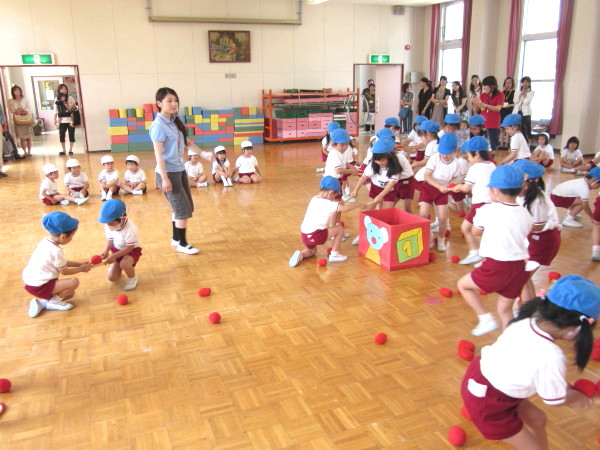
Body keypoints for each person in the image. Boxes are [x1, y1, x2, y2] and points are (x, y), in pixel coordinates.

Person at [461, 274, 599, 449]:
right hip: (489, 401)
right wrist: (576, 398)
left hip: (484, 377)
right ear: (577, 329)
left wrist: (567, 388)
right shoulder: (552, 356)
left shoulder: (527, 320)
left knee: (538, 419)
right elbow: (554, 400)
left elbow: (531, 363)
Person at [457, 165, 533, 335]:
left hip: (497, 266)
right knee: (505, 311)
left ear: (495, 190)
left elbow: (475, 232)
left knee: (463, 285)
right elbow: (525, 231)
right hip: (519, 268)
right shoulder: (525, 213)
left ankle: (485, 319)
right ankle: (506, 345)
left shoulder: (487, 210)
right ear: (521, 189)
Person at [149, 87, 199, 255]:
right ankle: (182, 244)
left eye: (175, 100)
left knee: (184, 207)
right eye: (169, 100)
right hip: (168, 173)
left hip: (179, 169)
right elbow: (159, 156)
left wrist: (205, 154)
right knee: (182, 209)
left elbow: (186, 142)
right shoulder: (158, 126)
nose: (173, 104)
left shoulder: (173, 122)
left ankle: (176, 239)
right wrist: (164, 179)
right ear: (159, 103)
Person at [22, 211, 92, 317]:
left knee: (70, 293)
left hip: (32, 283)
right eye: (71, 236)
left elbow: (60, 263)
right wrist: (81, 269)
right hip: (40, 286)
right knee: (74, 282)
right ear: (63, 237)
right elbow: (65, 271)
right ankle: (53, 303)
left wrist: (79, 264)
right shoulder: (56, 251)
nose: (72, 238)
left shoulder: (45, 241)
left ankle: (43, 304)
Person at [289, 176, 365, 267]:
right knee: (339, 229)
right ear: (331, 193)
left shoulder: (314, 199)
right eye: (334, 196)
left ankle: (301, 255)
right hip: (315, 235)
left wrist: (338, 204)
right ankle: (335, 254)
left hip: (305, 235)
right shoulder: (327, 203)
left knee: (312, 251)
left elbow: (334, 206)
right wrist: (359, 205)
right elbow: (345, 209)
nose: (334, 198)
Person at [513, 160, 561, 303]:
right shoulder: (524, 196)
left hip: (544, 241)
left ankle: (528, 308)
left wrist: (516, 226)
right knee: (523, 277)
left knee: (522, 277)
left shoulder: (538, 201)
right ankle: (527, 305)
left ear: (526, 184)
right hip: (533, 238)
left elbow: (537, 227)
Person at [450, 136, 495, 265]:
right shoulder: (492, 165)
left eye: (469, 155)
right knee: (480, 231)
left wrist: (457, 187)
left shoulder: (475, 168)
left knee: (467, 228)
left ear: (477, 154)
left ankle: (483, 255)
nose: (468, 158)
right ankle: (478, 253)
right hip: (491, 204)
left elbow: (466, 188)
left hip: (480, 205)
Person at [420, 133, 461, 252]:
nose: (445, 155)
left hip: (443, 192)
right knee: (423, 214)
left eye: (448, 153)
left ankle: (441, 239)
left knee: (443, 218)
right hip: (429, 188)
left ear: (455, 151)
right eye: (442, 152)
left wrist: (450, 186)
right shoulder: (435, 158)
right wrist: (439, 186)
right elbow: (427, 176)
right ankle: (429, 237)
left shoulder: (456, 164)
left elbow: (455, 179)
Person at [98, 199, 142, 291]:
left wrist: (114, 256)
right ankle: (117, 266)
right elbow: (110, 239)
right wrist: (106, 251)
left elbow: (130, 248)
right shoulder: (108, 225)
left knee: (124, 264)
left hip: (132, 250)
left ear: (123, 218)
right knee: (112, 278)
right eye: (107, 223)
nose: (109, 225)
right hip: (117, 249)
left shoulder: (131, 228)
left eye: (112, 223)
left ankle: (132, 279)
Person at [351, 138, 401, 210]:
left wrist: (380, 195)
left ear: (389, 156)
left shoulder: (395, 167)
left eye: (382, 160)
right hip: (375, 188)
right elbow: (364, 177)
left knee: (387, 211)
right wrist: (356, 190)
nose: (379, 163)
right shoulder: (373, 164)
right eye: (377, 160)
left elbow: (391, 184)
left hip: (389, 190)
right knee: (369, 209)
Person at [473, 76, 504, 151]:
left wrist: (486, 105)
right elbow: (478, 109)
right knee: (481, 145)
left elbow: (498, 108)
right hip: (482, 123)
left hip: (494, 124)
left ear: (492, 86)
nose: (484, 88)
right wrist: (476, 104)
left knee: (493, 146)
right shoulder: (483, 95)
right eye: (483, 86)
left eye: (485, 86)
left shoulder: (500, 95)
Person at [7, 85, 33, 157]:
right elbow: (11, 110)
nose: (17, 92)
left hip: (26, 119)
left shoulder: (25, 100)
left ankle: (29, 151)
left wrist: (24, 111)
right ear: (13, 92)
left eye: (18, 90)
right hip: (18, 120)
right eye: (15, 90)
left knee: (28, 136)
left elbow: (28, 108)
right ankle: (25, 151)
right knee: (22, 137)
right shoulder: (10, 101)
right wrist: (18, 112)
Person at [54, 84, 76, 156]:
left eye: (65, 89)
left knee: (71, 135)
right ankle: (63, 150)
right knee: (61, 135)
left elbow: (74, 108)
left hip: (70, 120)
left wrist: (69, 106)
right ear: (59, 90)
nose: (64, 90)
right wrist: (55, 119)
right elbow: (55, 110)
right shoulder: (57, 99)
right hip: (61, 120)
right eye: (62, 89)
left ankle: (71, 149)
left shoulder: (70, 98)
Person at [513, 76, 535, 142]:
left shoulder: (531, 92)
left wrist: (525, 95)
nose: (525, 84)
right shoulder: (517, 91)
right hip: (517, 112)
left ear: (529, 83)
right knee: (517, 128)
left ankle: (527, 144)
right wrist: (520, 94)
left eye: (527, 82)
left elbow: (527, 102)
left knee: (526, 129)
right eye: (524, 82)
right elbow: (515, 101)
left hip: (526, 113)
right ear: (521, 83)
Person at [499, 77, 516, 149]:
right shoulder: (502, 92)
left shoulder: (514, 92)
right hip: (502, 110)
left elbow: (516, 103)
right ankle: (501, 144)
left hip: (510, 111)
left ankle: (506, 144)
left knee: (508, 128)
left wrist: (510, 105)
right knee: (501, 128)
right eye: (506, 83)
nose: (508, 84)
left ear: (512, 84)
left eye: (509, 83)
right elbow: (498, 100)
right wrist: (502, 90)